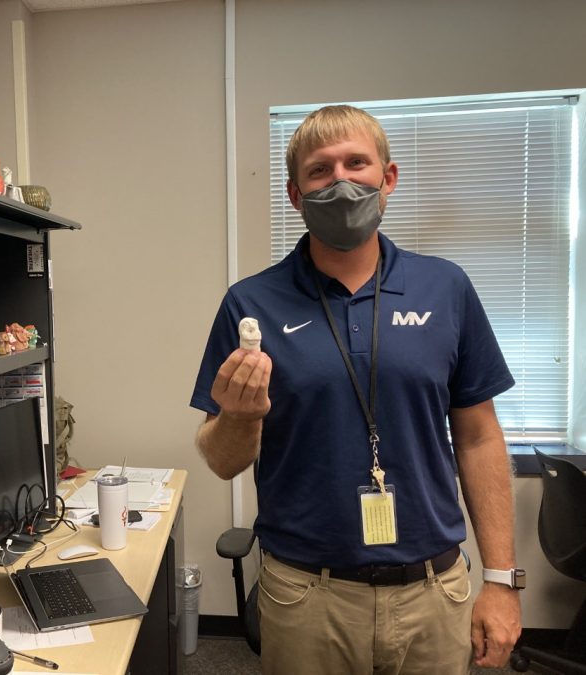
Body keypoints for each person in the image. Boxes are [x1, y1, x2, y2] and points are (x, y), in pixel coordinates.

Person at [191, 105, 522, 674]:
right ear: (296, 195)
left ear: (387, 178)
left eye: (356, 162)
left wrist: (500, 579)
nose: (341, 180)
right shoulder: (250, 303)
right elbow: (222, 461)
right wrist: (241, 418)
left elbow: (477, 438)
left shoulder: (446, 287)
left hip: (434, 587)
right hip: (305, 593)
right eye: (320, 170)